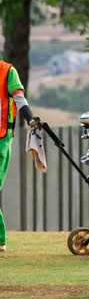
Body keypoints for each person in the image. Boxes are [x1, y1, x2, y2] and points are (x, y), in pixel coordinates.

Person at [0, 59, 39, 253]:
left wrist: (30, 118)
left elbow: (19, 98)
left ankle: (0, 239)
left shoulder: (8, 72)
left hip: (1, 138)